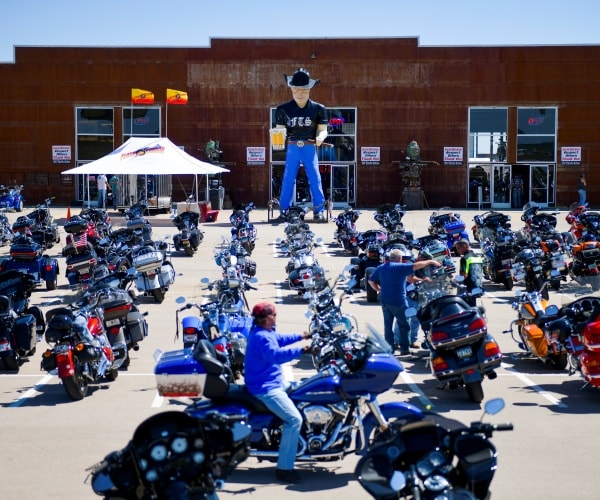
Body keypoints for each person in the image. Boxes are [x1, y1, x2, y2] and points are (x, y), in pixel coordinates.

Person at [244, 301, 313, 483]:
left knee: (306, 389)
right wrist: (304, 349)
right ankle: (284, 469)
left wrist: (303, 335)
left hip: (275, 382)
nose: (276, 317)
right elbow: (277, 355)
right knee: (294, 420)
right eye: (274, 315)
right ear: (266, 318)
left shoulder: (266, 332)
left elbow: (280, 339)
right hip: (266, 388)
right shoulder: (261, 337)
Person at [273, 68, 328, 221]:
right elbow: (280, 130)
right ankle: (284, 210)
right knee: (288, 179)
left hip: (310, 146)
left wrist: (320, 137)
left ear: (309, 89)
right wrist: (277, 137)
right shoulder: (282, 110)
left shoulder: (319, 109)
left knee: (315, 178)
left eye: (303, 90)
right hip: (292, 147)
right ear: (291, 89)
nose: (299, 93)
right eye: (296, 89)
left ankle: (319, 211)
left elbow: (323, 129)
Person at [368, 248, 441, 355]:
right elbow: (416, 266)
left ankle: (389, 349)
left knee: (388, 326)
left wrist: (379, 289)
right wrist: (430, 261)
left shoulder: (381, 267)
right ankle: (404, 349)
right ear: (400, 258)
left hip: (385, 301)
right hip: (399, 301)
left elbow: (371, 281)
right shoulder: (400, 267)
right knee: (404, 325)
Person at [454, 238, 484, 307]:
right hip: (478, 286)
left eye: (458, 248)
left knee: (466, 307)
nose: (457, 251)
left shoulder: (464, 258)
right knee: (473, 306)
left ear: (464, 246)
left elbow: (464, 275)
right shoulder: (477, 257)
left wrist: (455, 280)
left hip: (468, 288)